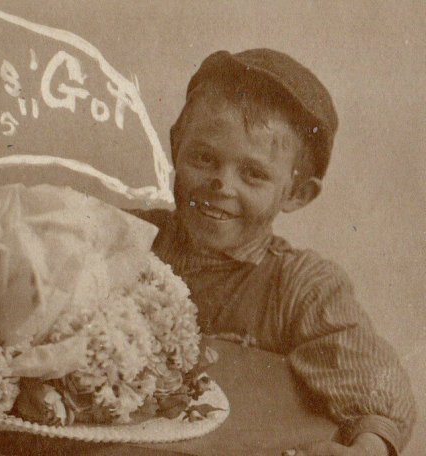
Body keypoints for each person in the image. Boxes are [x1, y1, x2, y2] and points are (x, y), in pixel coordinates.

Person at [130, 49, 415, 456]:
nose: (222, 185)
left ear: (297, 193)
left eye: (254, 174)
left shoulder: (303, 286)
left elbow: (373, 384)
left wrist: (367, 448)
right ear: (176, 145)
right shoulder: (126, 237)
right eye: (204, 158)